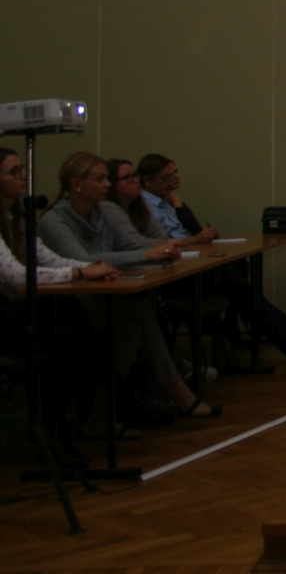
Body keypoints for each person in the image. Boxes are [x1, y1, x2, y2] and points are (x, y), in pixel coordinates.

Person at [39, 151, 220, 420]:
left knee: (134, 324)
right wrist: (148, 254)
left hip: (105, 296)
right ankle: (170, 392)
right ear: (76, 184)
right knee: (137, 313)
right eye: (100, 179)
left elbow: (130, 246)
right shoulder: (54, 220)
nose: (107, 184)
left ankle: (105, 410)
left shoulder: (101, 212)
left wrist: (162, 253)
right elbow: (84, 260)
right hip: (67, 307)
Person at [134, 154, 286, 365]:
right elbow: (159, 246)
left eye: (175, 173)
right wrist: (194, 239)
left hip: (190, 265)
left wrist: (178, 205)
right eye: (166, 177)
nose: (173, 180)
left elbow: (194, 229)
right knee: (237, 286)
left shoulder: (168, 202)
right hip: (172, 277)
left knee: (238, 271)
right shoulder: (142, 207)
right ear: (147, 181)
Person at [0, 148, 118, 452]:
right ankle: (59, 426)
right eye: (13, 172)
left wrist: (90, 268)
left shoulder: (16, 218)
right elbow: (16, 276)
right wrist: (80, 273)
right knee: (64, 324)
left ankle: (71, 420)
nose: (23, 176)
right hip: (4, 317)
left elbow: (48, 258)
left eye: (22, 169)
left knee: (69, 321)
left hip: (18, 311)